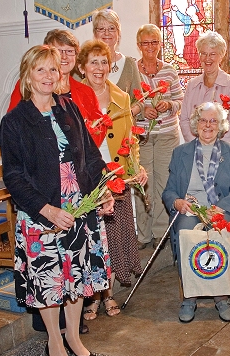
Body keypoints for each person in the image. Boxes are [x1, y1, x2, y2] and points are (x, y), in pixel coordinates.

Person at [0, 45, 114, 356]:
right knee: (51, 281)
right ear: (28, 76)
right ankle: (54, 340)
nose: (49, 76)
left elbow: (90, 156)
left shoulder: (68, 108)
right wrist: (47, 210)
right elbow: (14, 176)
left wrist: (103, 190)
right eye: (41, 70)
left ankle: (74, 337)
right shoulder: (15, 121)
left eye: (53, 70)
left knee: (77, 277)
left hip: (80, 207)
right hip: (43, 214)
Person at [162, 102, 230, 323]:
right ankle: (190, 297)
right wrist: (177, 203)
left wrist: (220, 208)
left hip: (224, 208)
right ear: (196, 124)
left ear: (221, 125)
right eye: (203, 120)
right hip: (191, 208)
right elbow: (169, 191)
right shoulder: (181, 152)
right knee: (187, 231)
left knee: (218, 227)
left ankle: (221, 297)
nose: (208, 125)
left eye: (213, 120)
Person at [77, 39, 147, 320]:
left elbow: (131, 140)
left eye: (104, 62)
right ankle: (92, 297)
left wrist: (137, 168)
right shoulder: (73, 98)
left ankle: (109, 294)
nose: (99, 67)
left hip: (116, 175)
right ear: (82, 67)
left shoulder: (122, 97)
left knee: (114, 238)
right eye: (93, 62)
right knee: (94, 239)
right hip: (87, 176)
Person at [135, 24, 184, 250]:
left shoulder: (170, 71)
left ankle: (161, 235)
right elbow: (127, 103)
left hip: (166, 136)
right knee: (143, 184)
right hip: (142, 137)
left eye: (154, 42)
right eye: (146, 43)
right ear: (139, 45)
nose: (150, 47)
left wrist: (169, 104)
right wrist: (143, 110)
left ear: (160, 45)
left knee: (164, 185)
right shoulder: (132, 70)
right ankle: (143, 236)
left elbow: (180, 101)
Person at [179, 31, 230, 169]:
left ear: (221, 56)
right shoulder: (192, 85)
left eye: (212, 54)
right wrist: (199, 146)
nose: (207, 58)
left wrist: (212, 147)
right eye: (203, 53)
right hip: (197, 153)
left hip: (228, 153)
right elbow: (184, 120)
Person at [92, 9, 142, 117]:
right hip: (93, 129)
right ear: (95, 33)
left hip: (123, 130)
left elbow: (139, 101)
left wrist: (124, 116)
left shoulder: (129, 64)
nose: (107, 33)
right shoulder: (85, 63)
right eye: (101, 29)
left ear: (118, 33)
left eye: (111, 28)